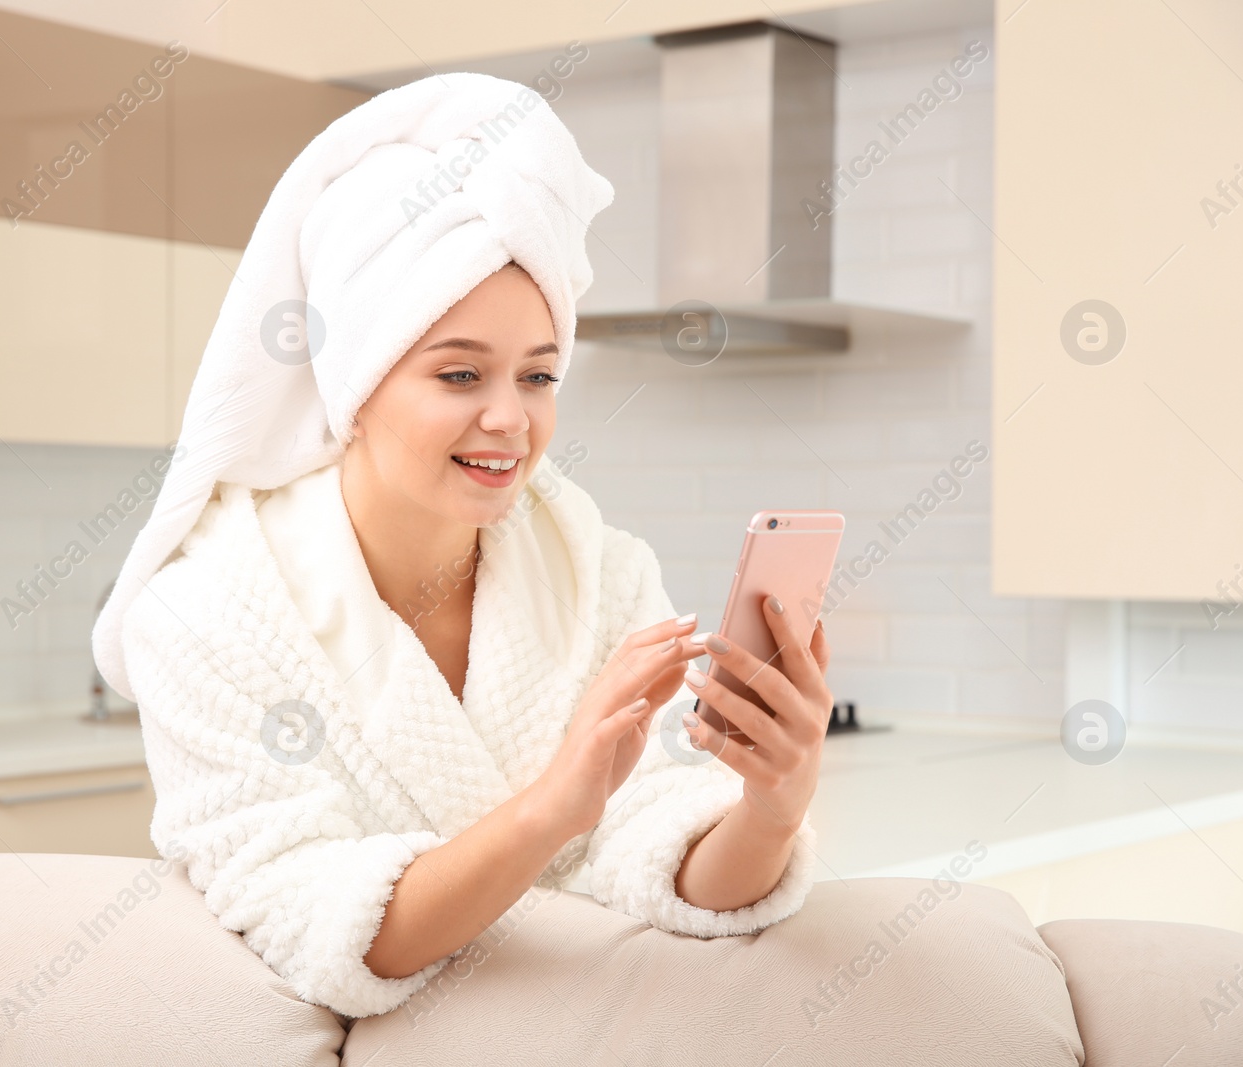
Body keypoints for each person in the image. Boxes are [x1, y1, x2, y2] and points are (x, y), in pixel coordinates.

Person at [92, 72, 832, 1020]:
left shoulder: (597, 572)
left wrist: (771, 807)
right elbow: (313, 917)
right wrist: (551, 809)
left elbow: (661, 857)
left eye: (538, 375)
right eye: (458, 373)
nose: (508, 419)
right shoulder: (204, 613)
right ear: (353, 384)